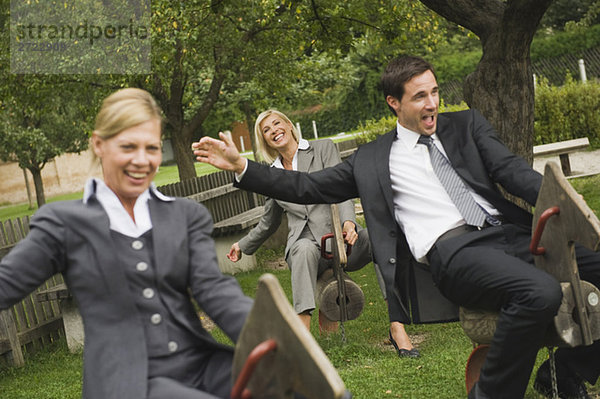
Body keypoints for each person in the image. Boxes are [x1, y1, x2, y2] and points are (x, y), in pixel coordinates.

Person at [193, 55, 600, 399]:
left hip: (509, 234)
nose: (432, 103)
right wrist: (244, 167)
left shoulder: (467, 125)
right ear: (394, 102)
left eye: (435, 91)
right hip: (454, 252)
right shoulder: (371, 159)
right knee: (540, 292)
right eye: (420, 96)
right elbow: (307, 185)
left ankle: (567, 366)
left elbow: (512, 173)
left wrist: (562, 200)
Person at [0, 88, 253, 399]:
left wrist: (265, 336)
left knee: (282, 387)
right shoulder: (63, 223)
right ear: (99, 144)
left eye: (151, 148)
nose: (141, 160)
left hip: (199, 367)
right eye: (128, 147)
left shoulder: (186, 216)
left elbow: (214, 290)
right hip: (124, 383)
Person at [228, 109, 416, 353]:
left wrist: (349, 222)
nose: (274, 130)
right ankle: (302, 342)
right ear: (263, 140)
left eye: (277, 123)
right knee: (304, 248)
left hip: (341, 237)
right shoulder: (271, 174)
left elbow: (343, 187)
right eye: (266, 129)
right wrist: (242, 246)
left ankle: (397, 326)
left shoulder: (323, 148)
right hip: (308, 247)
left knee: (378, 239)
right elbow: (268, 222)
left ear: (288, 125)